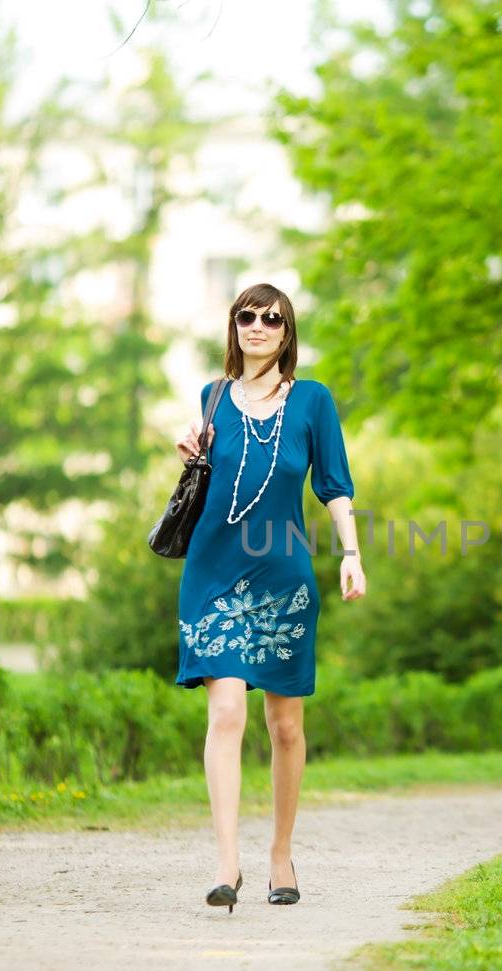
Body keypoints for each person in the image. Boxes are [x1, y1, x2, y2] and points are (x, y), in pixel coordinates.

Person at [172, 281, 366, 914]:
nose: (257, 326)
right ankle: (228, 863)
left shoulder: (311, 401)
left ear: (287, 332)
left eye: (271, 318)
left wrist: (351, 554)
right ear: (234, 327)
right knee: (226, 713)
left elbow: (335, 484)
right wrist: (191, 451)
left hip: (283, 574)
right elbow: (208, 482)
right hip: (214, 571)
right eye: (246, 316)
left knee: (285, 725)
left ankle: (280, 851)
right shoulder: (211, 399)